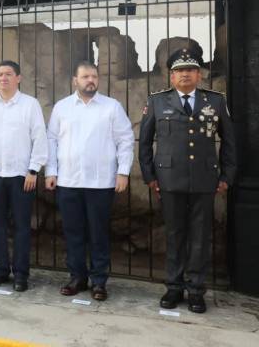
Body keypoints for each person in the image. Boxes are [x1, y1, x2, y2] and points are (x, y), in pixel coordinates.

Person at [139, 48, 236, 314]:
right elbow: (144, 142)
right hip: (169, 179)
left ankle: (195, 290)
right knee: (174, 234)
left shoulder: (215, 101)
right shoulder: (157, 101)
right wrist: (149, 176)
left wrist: (226, 176)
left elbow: (229, 141)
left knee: (200, 237)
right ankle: (174, 286)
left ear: (199, 74)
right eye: (179, 71)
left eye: (190, 70)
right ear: (171, 76)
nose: (185, 74)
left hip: (205, 179)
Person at [45, 61, 134, 301]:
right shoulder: (62, 107)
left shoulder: (112, 107)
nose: (90, 80)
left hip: (101, 183)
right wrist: (50, 171)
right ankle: (77, 278)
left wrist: (123, 172)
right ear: (75, 80)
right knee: (73, 232)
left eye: (94, 76)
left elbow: (126, 139)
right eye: (85, 76)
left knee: (98, 234)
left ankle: (99, 281)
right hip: (68, 181)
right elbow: (51, 140)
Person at [0, 60, 48, 291]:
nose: (3, 78)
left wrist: (33, 169)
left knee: (22, 226)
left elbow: (39, 137)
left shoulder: (30, 104)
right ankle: (0, 269)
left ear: (18, 78)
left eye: (8, 74)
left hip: (22, 177)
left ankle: (21, 274)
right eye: (0, 74)